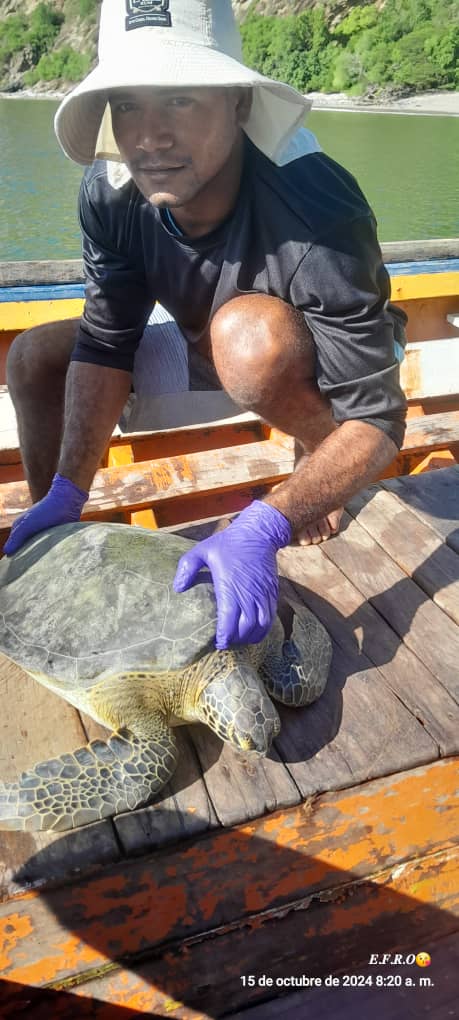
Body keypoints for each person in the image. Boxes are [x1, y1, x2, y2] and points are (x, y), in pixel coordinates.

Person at [5, 0, 407, 651]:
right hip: (211, 345)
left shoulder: (316, 206)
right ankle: (57, 535)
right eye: (127, 104)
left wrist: (267, 523)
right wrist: (67, 489)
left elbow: (379, 417)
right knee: (34, 357)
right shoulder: (110, 191)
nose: (150, 136)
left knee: (247, 340)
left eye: (181, 101)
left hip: (325, 362)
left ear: (239, 103)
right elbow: (107, 341)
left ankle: (317, 461)